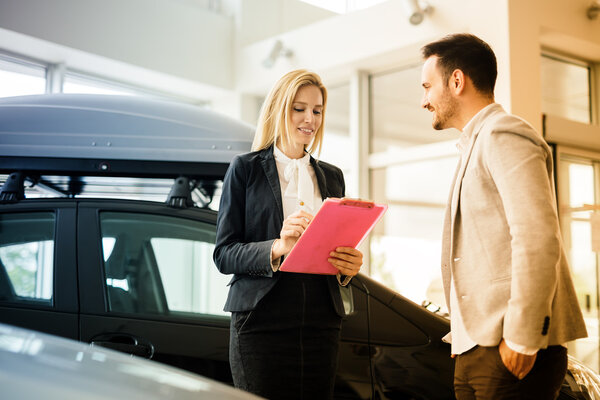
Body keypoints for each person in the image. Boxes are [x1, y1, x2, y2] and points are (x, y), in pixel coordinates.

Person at [419, 33, 587, 399]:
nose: (424, 100)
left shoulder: (503, 133)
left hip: (509, 348)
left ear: (457, 81)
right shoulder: (474, 144)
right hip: (477, 347)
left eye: (428, 86)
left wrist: (522, 339)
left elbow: (537, 237)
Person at [213, 69, 363, 399]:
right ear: (281, 108)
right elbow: (224, 253)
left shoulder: (332, 177)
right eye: (299, 108)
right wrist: (277, 246)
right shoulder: (246, 169)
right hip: (260, 321)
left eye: (317, 110)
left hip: (320, 323)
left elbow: (333, 253)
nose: (310, 118)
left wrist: (346, 269)